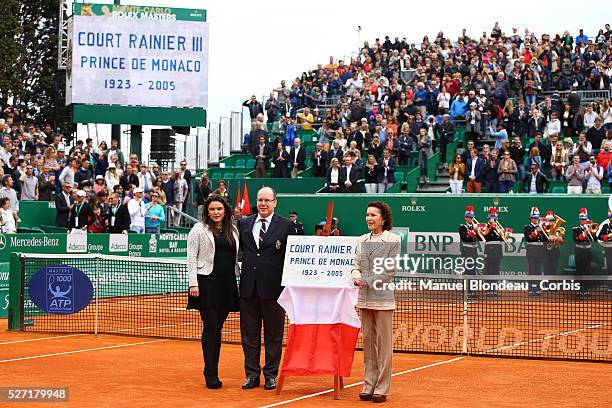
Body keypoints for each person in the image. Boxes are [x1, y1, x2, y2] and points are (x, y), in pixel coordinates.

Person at [239, 187, 293, 391]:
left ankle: (271, 375)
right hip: (248, 290)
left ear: (274, 202)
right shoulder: (244, 223)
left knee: (274, 336)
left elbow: (292, 257)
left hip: (274, 291)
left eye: (267, 200)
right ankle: (251, 375)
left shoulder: (287, 225)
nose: (263, 204)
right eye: (260, 200)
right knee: (249, 335)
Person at [187, 195, 240, 389]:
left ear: (225, 210)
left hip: (227, 284)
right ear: (207, 211)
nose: (216, 212)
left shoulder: (232, 229)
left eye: (219, 209)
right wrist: (193, 284)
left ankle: (212, 368)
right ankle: (210, 372)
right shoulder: (198, 229)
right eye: (212, 209)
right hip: (206, 283)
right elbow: (191, 257)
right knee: (210, 328)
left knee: (217, 328)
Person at [351, 201, 400, 403]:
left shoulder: (393, 239)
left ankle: (382, 387)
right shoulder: (362, 239)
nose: (369, 218)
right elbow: (356, 264)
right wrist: (355, 275)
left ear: (384, 218)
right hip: (364, 298)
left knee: (384, 345)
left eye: (373, 215)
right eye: (367, 214)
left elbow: (389, 270)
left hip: (383, 299)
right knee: (369, 343)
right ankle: (368, 384)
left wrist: (366, 281)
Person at [573, 208, 595, 295]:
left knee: (587, 270)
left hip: (587, 251)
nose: (583, 221)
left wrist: (591, 231)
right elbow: (576, 239)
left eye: (585, 219)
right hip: (579, 251)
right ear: (579, 220)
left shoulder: (591, 229)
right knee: (579, 270)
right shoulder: (576, 229)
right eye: (582, 219)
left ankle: (586, 288)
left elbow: (595, 239)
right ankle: (580, 288)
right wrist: (585, 232)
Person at [523, 207, 546, 295]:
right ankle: (530, 288)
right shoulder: (527, 227)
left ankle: (537, 288)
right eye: (534, 218)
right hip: (532, 250)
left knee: (538, 270)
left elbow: (544, 239)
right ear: (531, 218)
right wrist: (536, 231)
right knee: (532, 269)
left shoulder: (542, 227)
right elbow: (528, 238)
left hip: (540, 250)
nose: (536, 219)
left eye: (537, 218)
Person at [483, 208, 505, 295]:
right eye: (492, 219)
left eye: (495, 219)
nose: (493, 220)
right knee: (489, 270)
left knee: (496, 270)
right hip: (489, 250)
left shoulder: (498, 227)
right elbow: (485, 237)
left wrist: (504, 234)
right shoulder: (485, 227)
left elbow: (502, 239)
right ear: (488, 219)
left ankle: (494, 289)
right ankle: (488, 290)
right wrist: (491, 228)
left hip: (497, 251)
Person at [596, 209, 612, 293]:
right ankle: (610, 286)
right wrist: (607, 237)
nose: (611, 219)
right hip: (609, 249)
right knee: (610, 267)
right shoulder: (605, 225)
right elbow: (599, 236)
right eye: (610, 217)